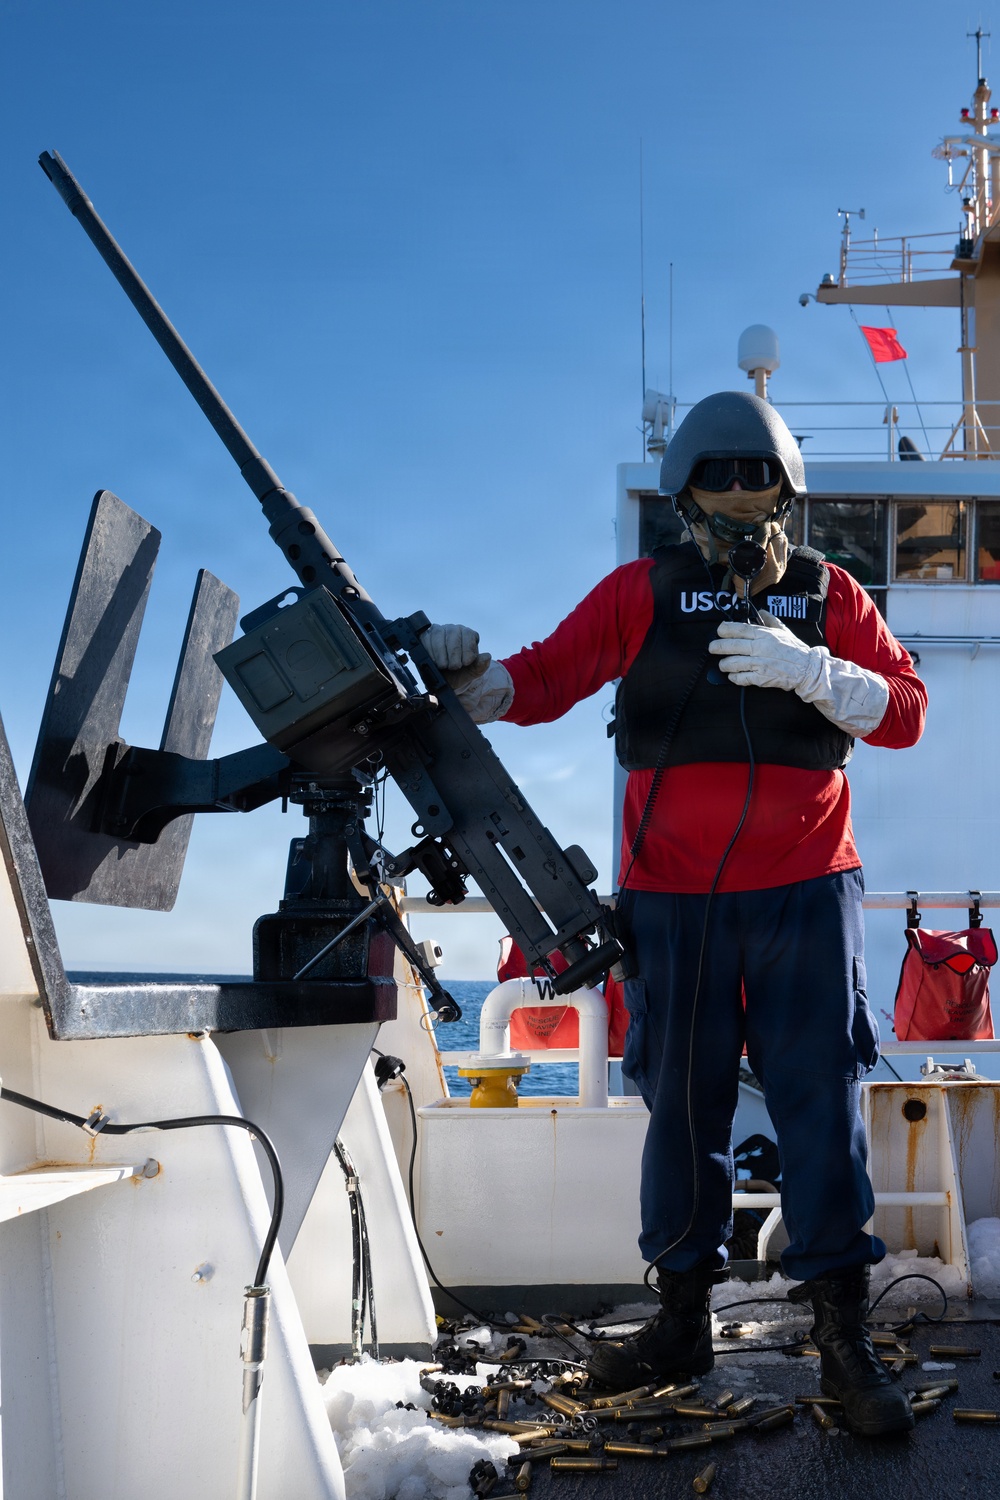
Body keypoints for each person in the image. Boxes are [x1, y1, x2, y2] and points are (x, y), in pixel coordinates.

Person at [424, 391, 927, 1437]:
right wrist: (470, 675)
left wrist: (815, 672)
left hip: (805, 889)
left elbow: (906, 712)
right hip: (673, 898)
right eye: (719, 473)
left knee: (820, 1105)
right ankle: (681, 1320)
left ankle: (841, 1335)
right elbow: (542, 680)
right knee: (682, 1112)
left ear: (785, 489)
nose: (741, 491)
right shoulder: (641, 593)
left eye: (758, 473)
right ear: (685, 492)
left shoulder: (829, 593)